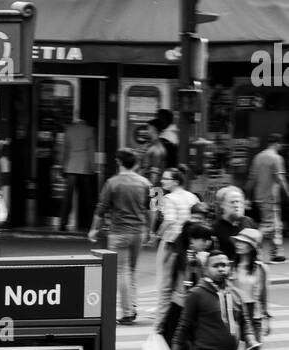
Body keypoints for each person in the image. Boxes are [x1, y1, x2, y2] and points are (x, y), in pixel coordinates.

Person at [88, 148, 151, 324]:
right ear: (136, 163)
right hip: (138, 231)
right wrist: (150, 229)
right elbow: (154, 208)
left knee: (122, 271)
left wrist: (94, 229)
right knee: (131, 270)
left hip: (118, 232)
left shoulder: (112, 183)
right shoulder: (146, 183)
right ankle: (132, 306)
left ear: (118, 162)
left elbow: (101, 209)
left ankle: (127, 312)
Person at [157, 220, 213, 350]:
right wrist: (160, 317)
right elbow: (165, 288)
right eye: (203, 240)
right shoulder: (176, 258)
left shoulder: (203, 260)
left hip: (195, 314)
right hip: (176, 312)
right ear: (192, 240)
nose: (207, 243)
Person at [153, 167, 199, 323]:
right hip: (189, 243)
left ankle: (162, 318)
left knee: (165, 281)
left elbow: (169, 220)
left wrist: (156, 235)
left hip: (171, 243)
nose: (162, 181)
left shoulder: (168, 198)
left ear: (176, 181)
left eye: (165, 179)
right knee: (183, 280)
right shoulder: (192, 196)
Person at [232, 227, 271, 350]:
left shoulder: (261, 269)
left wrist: (266, 318)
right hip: (233, 314)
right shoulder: (230, 265)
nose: (238, 244)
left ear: (252, 247)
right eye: (238, 242)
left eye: (243, 242)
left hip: (253, 314)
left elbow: (264, 294)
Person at [246, 134, 289, 264]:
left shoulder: (258, 157)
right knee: (268, 226)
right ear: (277, 143)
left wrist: (248, 196)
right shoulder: (276, 158)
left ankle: (276, 252)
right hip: (270, 197)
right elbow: (281, 179)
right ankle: (251, 246)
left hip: (259, 196)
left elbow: (251, 179)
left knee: (274, 224)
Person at [59, 116, 96, 233]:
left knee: (67, 197)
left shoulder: (69, 130)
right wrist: (92, 167)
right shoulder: (89, 130)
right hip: (84, 167)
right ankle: (90, 224)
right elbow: (91, 150)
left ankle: (63, 223)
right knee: (88, 197)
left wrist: (62, 166)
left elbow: (64, 150)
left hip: (71, 167)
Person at [212, 185, 254, 264]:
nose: (236, 205)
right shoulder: (215, 228)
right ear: (222, 205)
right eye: (232, 202)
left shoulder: (248, 222)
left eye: (239, 202)